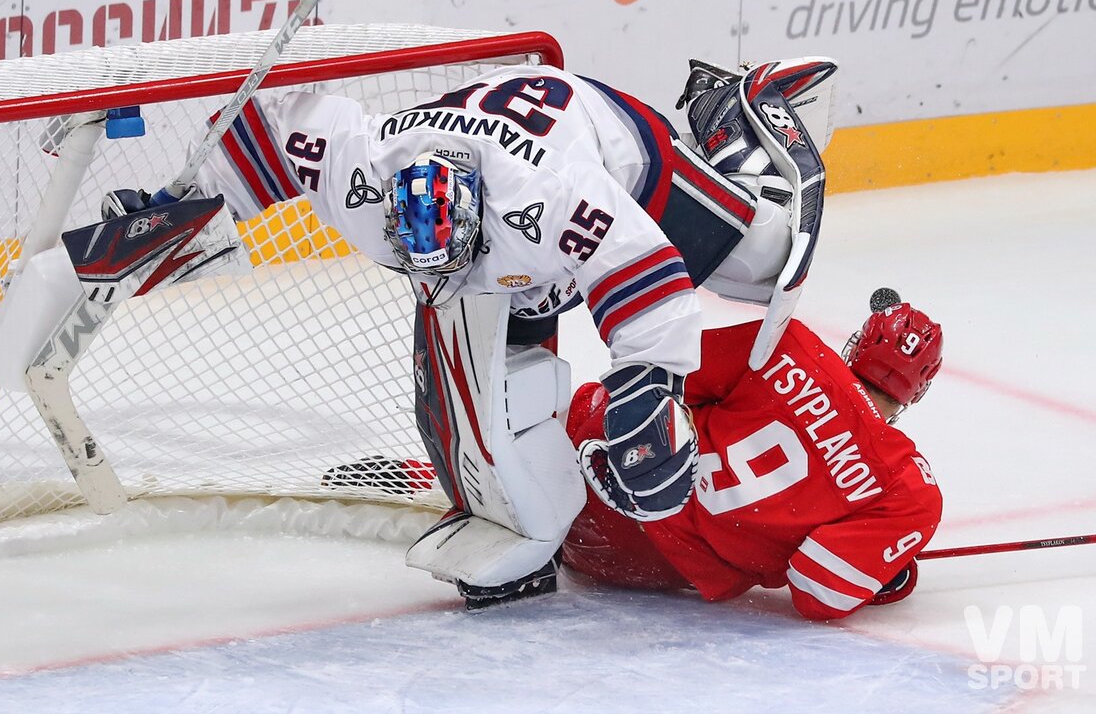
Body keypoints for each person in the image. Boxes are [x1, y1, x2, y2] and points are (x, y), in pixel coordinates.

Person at [102, 58, 835, 606]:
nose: (440, 280)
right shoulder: (365, 176)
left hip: (614, 143)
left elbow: (647, 276)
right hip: (511, 220)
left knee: (764, 260)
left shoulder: (550, 198)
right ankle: (515, 515)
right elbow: (275, 125)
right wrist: (181, 204)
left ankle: (731, 117)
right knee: (490, 364)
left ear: (486, 214)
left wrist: (649, 386)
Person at [564, 289, 944, 619]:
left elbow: (652, 384)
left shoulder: (792, 343)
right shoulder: (907, 487)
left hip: (597, 471)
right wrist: (878, 571)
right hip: (642, 564)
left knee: (590, 400)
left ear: (859, 344)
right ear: (918, 389)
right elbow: (818, 592)